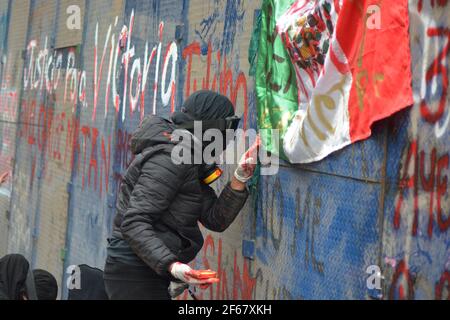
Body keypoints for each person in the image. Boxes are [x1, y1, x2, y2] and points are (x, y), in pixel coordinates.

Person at [104, 90, 258, 300]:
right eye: (226, 131)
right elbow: (134, 222)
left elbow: (215, 219)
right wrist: (171, 266)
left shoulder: (187, 156)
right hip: (134, 271)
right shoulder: (172, 157)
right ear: (211, 127)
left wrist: (240, 177)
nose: (226, 141)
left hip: (146, 269)